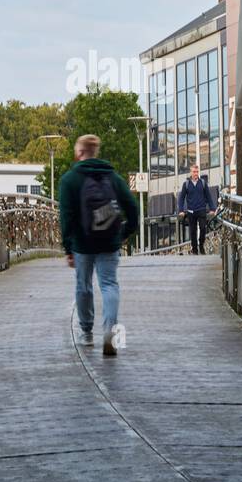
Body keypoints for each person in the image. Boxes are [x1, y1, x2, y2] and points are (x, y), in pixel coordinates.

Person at [58, 134, 138, 357]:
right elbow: (132, 206)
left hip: (82, 245)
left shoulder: (69, 180)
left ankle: (86, 333)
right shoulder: (112, 177)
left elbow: (66, 217)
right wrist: (125, 232)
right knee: (110, 285)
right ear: (95, 152)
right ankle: (110, 339)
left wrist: (68, 247)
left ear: (79, 153)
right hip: (109, 241)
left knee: (83, 286)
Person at [177, 163, 216, 254]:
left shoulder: (202, 183)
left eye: (197, 172)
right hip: (191, 211)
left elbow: (209, 196)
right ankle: (195, 249)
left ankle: (201, 244)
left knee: (203, 228)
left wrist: (212, 209)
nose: (195, 173)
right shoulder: (186, 184)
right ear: (191, 172)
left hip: (201, 209)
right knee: (192, 231)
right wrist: (181, 211)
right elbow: (181, 198)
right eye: (194, 172)